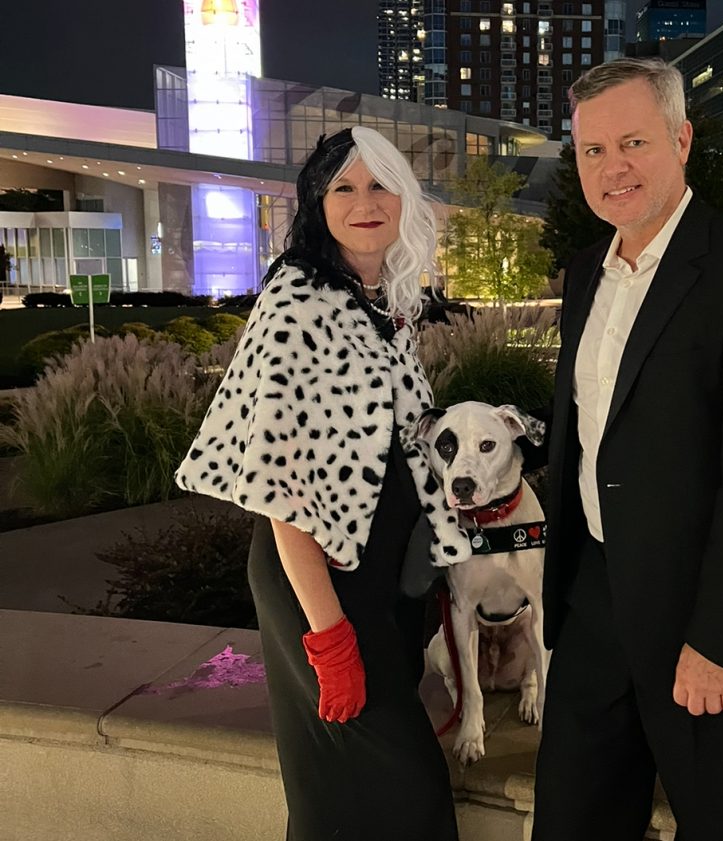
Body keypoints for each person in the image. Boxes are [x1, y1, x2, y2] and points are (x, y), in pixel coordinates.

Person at [531, 58, 723, 841]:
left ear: (681, 138)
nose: (612, 167)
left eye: (633, 141)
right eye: (592, 151)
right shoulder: (586, 274)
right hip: (594, 604)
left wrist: (721, 639)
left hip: (705, 622)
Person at [175, 127, 470, 841]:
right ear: (317, 199)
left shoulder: (381, 304)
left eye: (379, 185)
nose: (364, 202)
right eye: (344, 186)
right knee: (398, 785)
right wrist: (328, 636)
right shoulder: (298, 299)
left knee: (347, 787)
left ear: (404, 197)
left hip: (384, 580)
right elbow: (281, 490)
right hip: (319, 581)